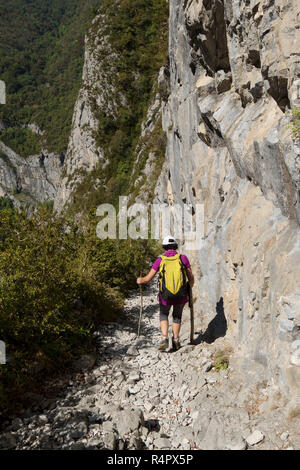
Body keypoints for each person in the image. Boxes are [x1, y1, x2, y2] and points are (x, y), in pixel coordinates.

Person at [136, 236, 194, 351]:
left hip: (165, 296)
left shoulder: (160, 260)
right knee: (177, 316)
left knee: (164, 314)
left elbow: (148, 279)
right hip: (181, 295)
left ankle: (164, 338)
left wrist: (140, 280)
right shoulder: (183, 258)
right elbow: (190, 277)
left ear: (164, 247)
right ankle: (176, 340)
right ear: (175, 246)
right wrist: (189, 287)